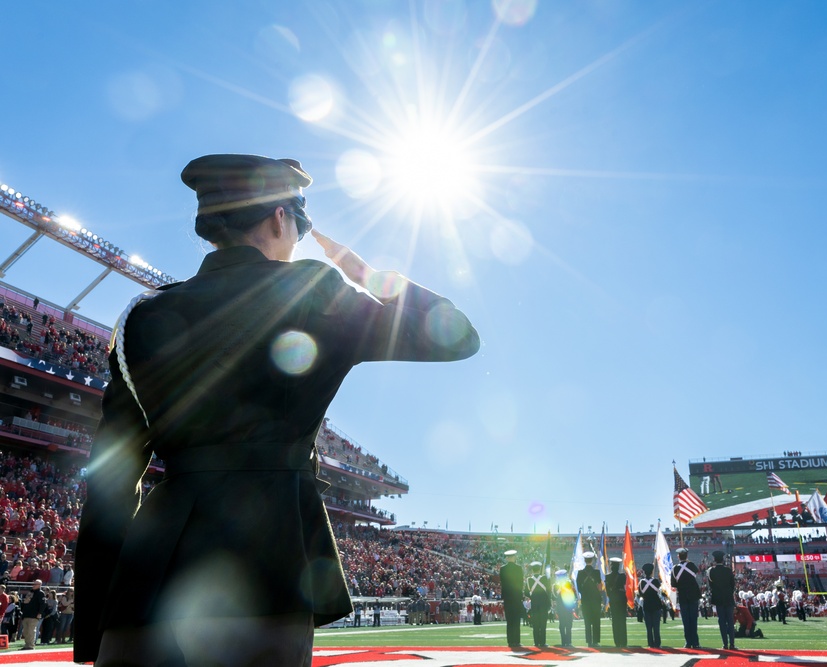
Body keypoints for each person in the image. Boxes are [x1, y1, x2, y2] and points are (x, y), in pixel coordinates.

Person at [73, 154, 480, 666]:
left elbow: (110, 482)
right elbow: (458, 336)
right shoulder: (312, 291)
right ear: (281, 218)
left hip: (156, 567)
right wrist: (368, 275)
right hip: (273, 558)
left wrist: (95, 623)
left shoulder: (142, 315)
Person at [670, 547, 701, 649]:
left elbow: (673, 584)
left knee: (686, 621)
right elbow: (696, 572)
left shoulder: (675, 568)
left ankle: (688, 642)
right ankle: (695, 643)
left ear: (678, 556)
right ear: (687, 556)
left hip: (683, 596)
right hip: (693, 595)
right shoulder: (691, 565)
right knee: (693, 620)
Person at [706, 550, 736, 650]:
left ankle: (725, 644)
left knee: (722, 622)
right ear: (723, 560)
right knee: (730, 622)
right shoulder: (728, 570)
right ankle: (732, 644)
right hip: (728, 598)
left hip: (718, 599)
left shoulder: (711, 571)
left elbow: (711, 586)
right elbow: (733, 585)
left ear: (714, 560)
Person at [577, 551, 604, 647]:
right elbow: (600, 587)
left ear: (584, 561)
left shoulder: (580, 573)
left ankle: (589, 641)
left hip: (585, 600)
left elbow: (579, 588)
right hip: (595, 600)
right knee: (596, 621)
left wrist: (585, 593)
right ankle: (596, 641)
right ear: (592, 561)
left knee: (587, 621)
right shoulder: (596, 572)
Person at [500, 550, 524, 648]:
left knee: (509, 621)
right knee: (516, 620)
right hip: (516, 597)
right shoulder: (518, 568)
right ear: (514, 557)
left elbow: (502, 583)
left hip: (507, 598)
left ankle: (510, 641)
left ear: (507, 558)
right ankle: (517, 641)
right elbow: (521, 583)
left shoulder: (503, 569)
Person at [524, 561, 550, 647]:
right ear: (539, 569)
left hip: (534, 604)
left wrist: (532, 595)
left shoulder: (529, 580)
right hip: (543, 604)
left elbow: (526, 593)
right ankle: (542, 642)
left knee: (535, 624)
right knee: (543, 624)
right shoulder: (544, 578)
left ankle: (536, 642)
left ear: (532, 570)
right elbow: (548, 591)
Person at [605, 557, 628, 647]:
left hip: (613, 600)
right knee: (622, 621)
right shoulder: (623, 576)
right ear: (618, 567)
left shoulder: (607, 576)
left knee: (615, 621)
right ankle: (624, 641)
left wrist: (611, 596)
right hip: (622, 599)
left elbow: (607, 591)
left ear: (611, 566)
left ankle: (617, 642)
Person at [638, 563, 662, 648]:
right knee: (656, 626)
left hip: (647, 605)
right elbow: (660, 591)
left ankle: (650, 643)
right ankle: (657, 643)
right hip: (656, 605)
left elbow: (640, 594)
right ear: (652, 571)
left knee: (649, 627)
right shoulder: (656, 581)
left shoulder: (641, 582)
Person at [551, 569, 576, 647]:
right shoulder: (558, 585)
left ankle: (566, 641)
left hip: (563, 608)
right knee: (565, 625)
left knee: (565, 625)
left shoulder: (566, 584)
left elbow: (554, 596)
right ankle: (566, 641)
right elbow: (555, 596)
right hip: (565, 607)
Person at [20, 580, 44, 650]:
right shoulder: (30, 592)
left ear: (39, 585)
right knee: (25, 631)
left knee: (31, 631)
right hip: (26, 614)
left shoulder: (40, 593)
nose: (33, 585)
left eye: (35, 584)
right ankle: (27, 645)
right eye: (33, 584)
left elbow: (43, 604)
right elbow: (25, 602)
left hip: (34, 615)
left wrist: (39, 613)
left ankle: (30, 645)